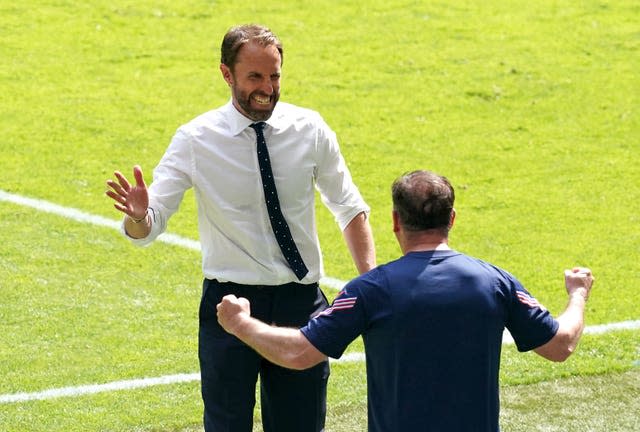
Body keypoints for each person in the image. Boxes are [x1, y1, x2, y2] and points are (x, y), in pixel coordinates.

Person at [105, 24, 376, 432]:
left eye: (275, 75)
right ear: (226, 74)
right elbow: (149, 227)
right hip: (228, 305)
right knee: (226, 425)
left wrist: (370, 284)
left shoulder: (311, 129)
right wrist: (140, 215)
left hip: (300, 304)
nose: (268, 88)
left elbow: (349, 207)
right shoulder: (195, 139)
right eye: (255, 77)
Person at [216, 169, 595, 432]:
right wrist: (577, 295)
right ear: (453, 218)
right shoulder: (494, 282)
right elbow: (561, 345)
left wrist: (241, 324)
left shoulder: (370, 290)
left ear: (396, 221)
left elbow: (300, 353)